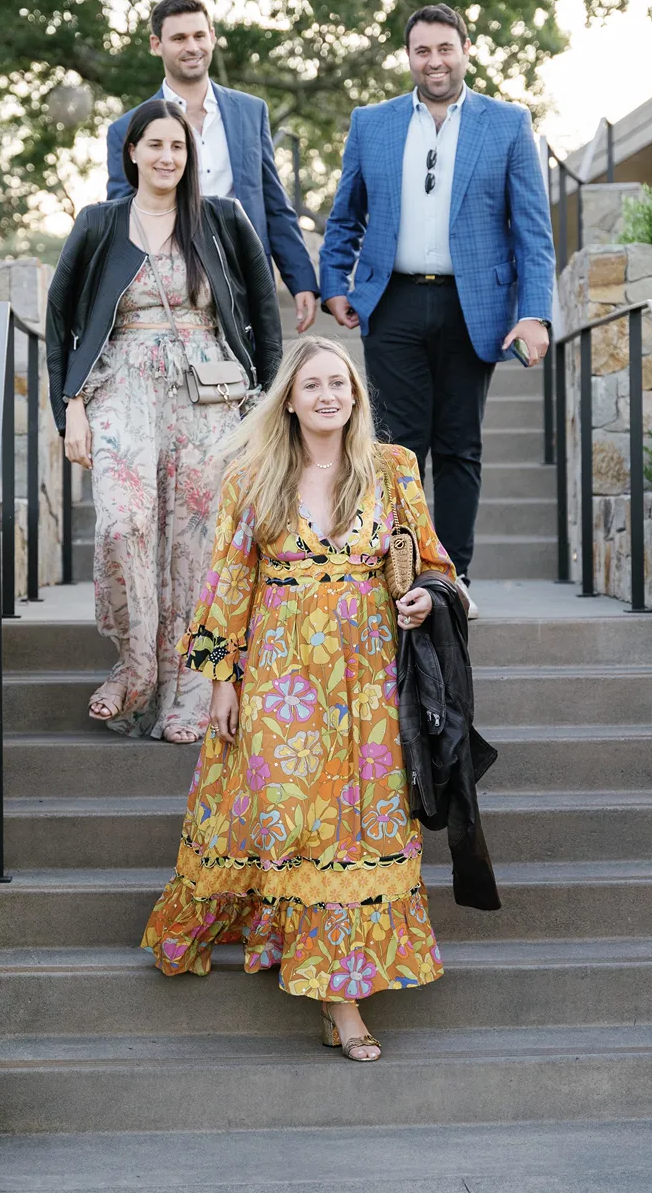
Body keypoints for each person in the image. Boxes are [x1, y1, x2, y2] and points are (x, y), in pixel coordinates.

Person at [142, 336, 454, 1061]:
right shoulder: (254, 475)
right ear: (289, 396)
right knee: (297, 822)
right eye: (311, 384)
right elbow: (227, 581)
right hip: (282, 681)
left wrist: (418, 600)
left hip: (373, 680)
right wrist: (220, 680)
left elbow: (433, 564)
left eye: (338, 384)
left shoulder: (390, 469)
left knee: (352, 833)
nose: (326, 395)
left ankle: (339, 1002)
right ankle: (320, 982)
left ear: (355, 395)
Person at [46, 100, 283, 742]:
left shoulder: (222, 221)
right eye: (154, 145)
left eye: (177, 146)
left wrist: (267, 406)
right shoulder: (99, 223)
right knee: (126, 522)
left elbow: (263, 309)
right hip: (121, 382)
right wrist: (68, 404)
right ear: (132, 152)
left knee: (196, 538)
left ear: (190, 154)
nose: (166, 157)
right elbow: (61, 317)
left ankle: (190, 688)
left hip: (208, 393)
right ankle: (134, 668)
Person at [316, 3, 556, 616]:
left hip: (474, 306)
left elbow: (533, 231)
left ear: (465, 49)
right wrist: (334, 281)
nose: (435, 61)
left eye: (445, 48)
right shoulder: (372, 123)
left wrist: (535, 313)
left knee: (458, 446)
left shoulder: (506, 125)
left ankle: (451, 577)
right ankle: (394, 572)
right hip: (391, 301)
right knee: (396, 449)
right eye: (422, 51)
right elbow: (345, 215)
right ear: (409, 57)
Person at [106, 0, 320, 332]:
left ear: (212, 37)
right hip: (170, 284)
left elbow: (273, 203)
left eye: (199, 35)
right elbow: (120, 217)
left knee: (254, 380)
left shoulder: (251, 112)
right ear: (156, 44)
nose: (192, 47)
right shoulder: (127, 129)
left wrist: (302, 280)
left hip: (245, 274)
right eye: (179, 38)